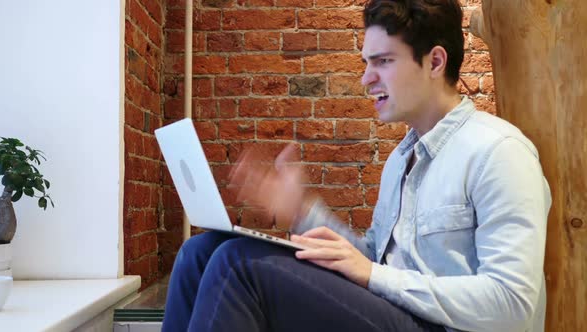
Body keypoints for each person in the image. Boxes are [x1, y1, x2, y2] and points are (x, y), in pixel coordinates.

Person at [162, 0, 551, 331]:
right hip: (398, 315)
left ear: (434, 61)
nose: (366, 79)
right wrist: (299, 212)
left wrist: (374, 275)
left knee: (237, 265)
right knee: (202, 251)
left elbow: (513, 306)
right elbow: (374, 260)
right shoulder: (402, 160)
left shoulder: (499, 151)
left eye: (382, 61)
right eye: (367, 62)